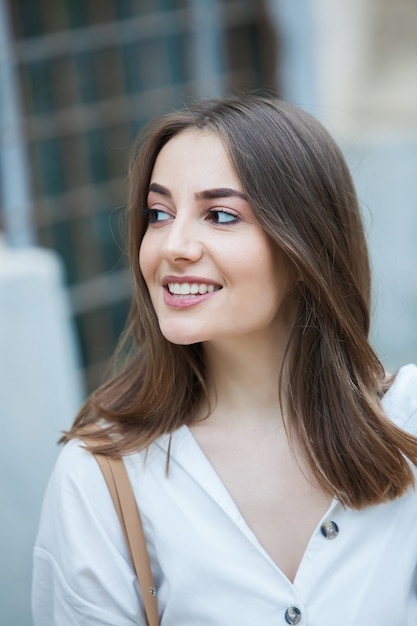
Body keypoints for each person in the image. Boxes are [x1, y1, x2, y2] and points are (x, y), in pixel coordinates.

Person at [32, 96, 417, 625]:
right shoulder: (101, 476)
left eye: (220, 214)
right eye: (159, 214)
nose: (174, 246)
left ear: (305, 244)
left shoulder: (407, 426)